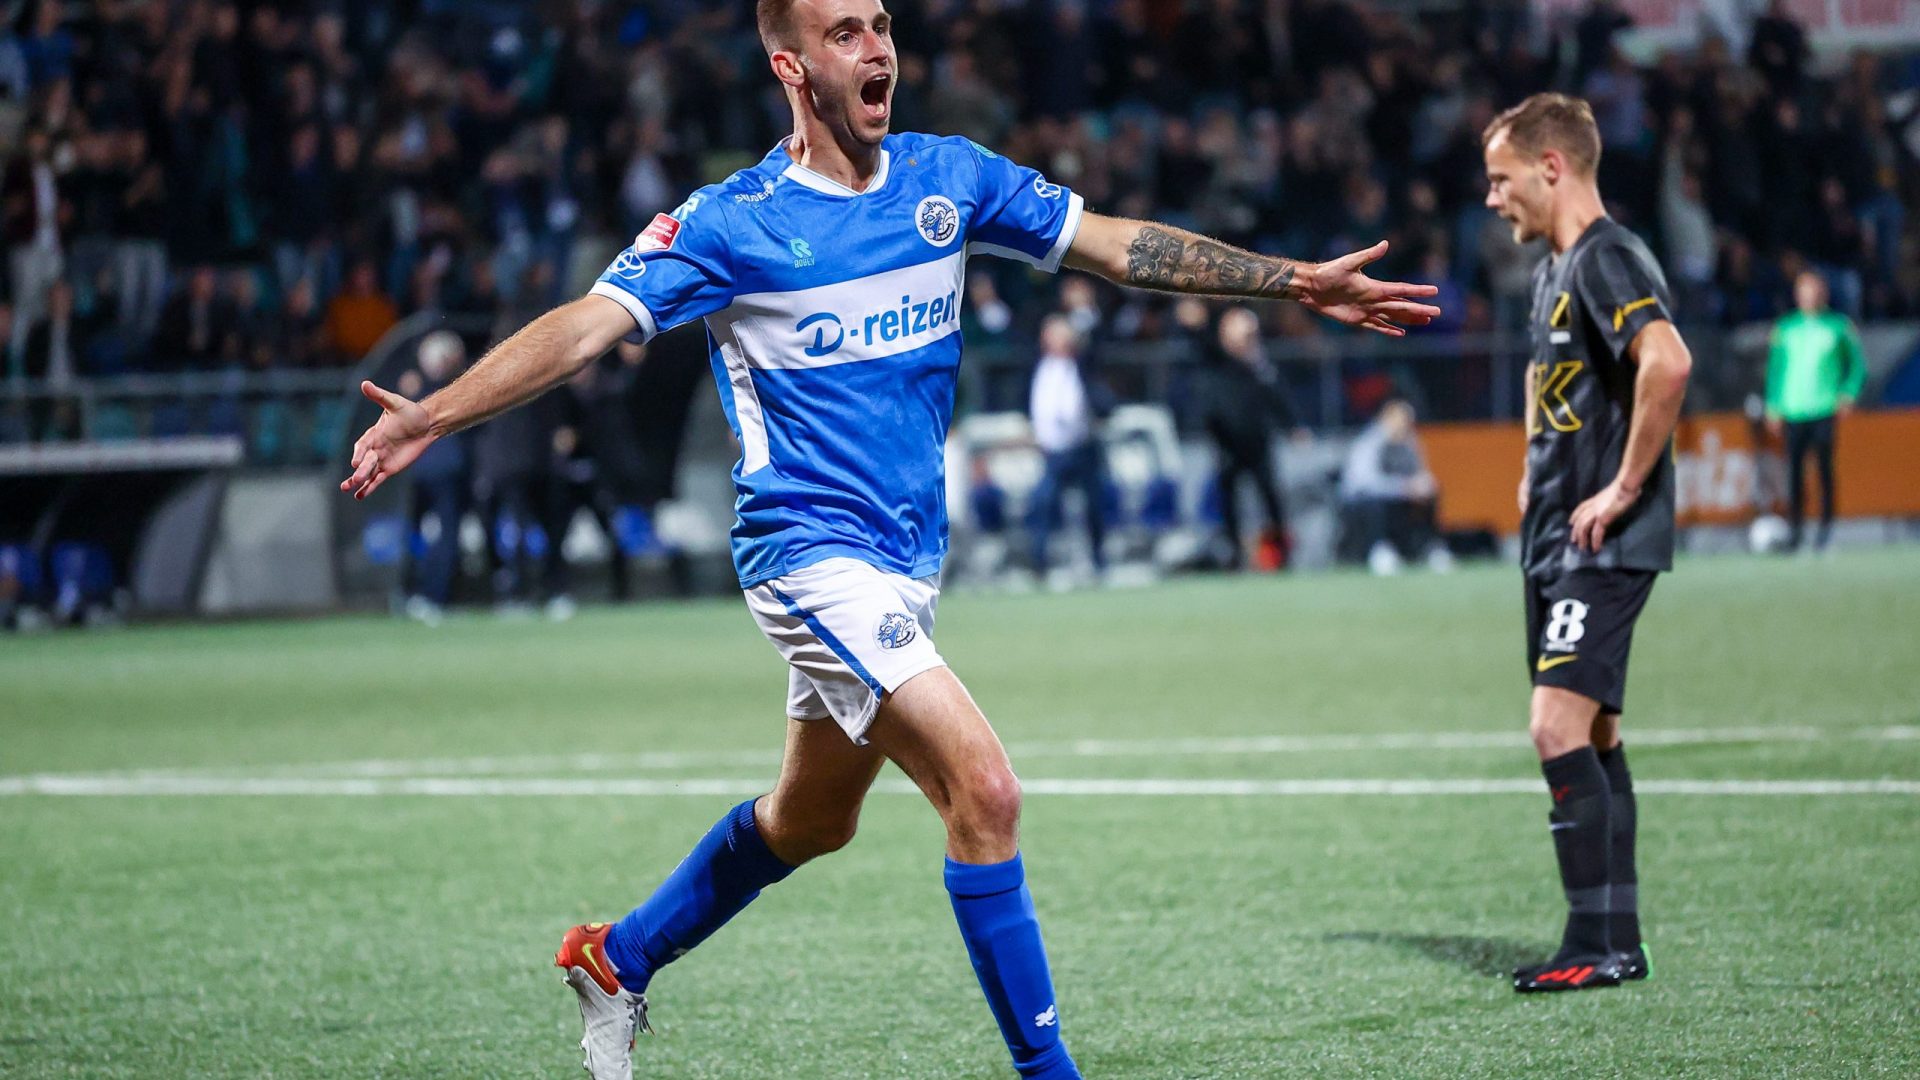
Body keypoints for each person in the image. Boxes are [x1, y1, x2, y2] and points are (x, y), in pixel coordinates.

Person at [340, 2, 1439, 1075]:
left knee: (811, 821)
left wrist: (1295, 281)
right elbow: (586, 326)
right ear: (791, 67)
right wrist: (435, 413)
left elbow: (1114, 244)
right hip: (805, 554)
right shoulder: (732, 221)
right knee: (986, 791)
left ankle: (614, 958)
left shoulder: (945, 178)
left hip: (907, 561)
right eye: (846, 34)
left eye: (884, 28)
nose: (879, 53)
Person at [1483, 93, 1692, 993]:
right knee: (1597, 732)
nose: (1494, 199)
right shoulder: (1556, 269)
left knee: (1553, 725)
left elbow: (1668, 360)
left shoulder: (1608, 255)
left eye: (1502, 179)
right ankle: (1617, 939)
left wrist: (1624, 484)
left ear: (1552, 166)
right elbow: (1549, 367)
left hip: (1600, 538)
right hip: (1556, 533)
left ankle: (1592, 943)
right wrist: (1536, 461)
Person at [1765, 271, 1864, 554]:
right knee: (1794, 473)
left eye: (1812, 290)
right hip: (1793, 410)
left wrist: (1848, 394)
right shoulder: (1785, 328)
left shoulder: (1838, 326)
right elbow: (1775, 370)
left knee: (1824, 471)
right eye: (1802, 290)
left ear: (1823, 293)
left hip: (1823, 408)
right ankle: (1796, 531)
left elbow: (1857, 366)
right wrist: (1773, 404)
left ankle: (1825, 530)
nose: (1807, 296)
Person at [1200, 306, 1296, 570]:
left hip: (1257, 441)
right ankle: (1233, 554)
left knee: (1270, 496)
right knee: (1229, 501)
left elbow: (1276, 395)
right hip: (1227, 442)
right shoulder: (1216, 360)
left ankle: (1281, 551)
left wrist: (1292, 425)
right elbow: (1199, 338)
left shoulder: (1259, 363)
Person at [1026, 313, 1108, 581]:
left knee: (1094, 505)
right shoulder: (1039, 367)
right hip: (1053, 451)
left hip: (1082, 447)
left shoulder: (1083, 365)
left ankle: (1098, 560)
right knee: (1044, 502)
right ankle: (1040, 562)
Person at [1339, 398, 1446, 574]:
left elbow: (1420, 471)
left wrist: (1424, 485)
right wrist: (1403, 487)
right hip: (1362, 502)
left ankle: (1431, 547)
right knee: (1375, 503)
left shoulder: (1410, 442)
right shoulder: (1370, 443)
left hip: (1398, 497)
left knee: (1431, 496)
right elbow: (1364, 483)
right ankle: (1379, 550)